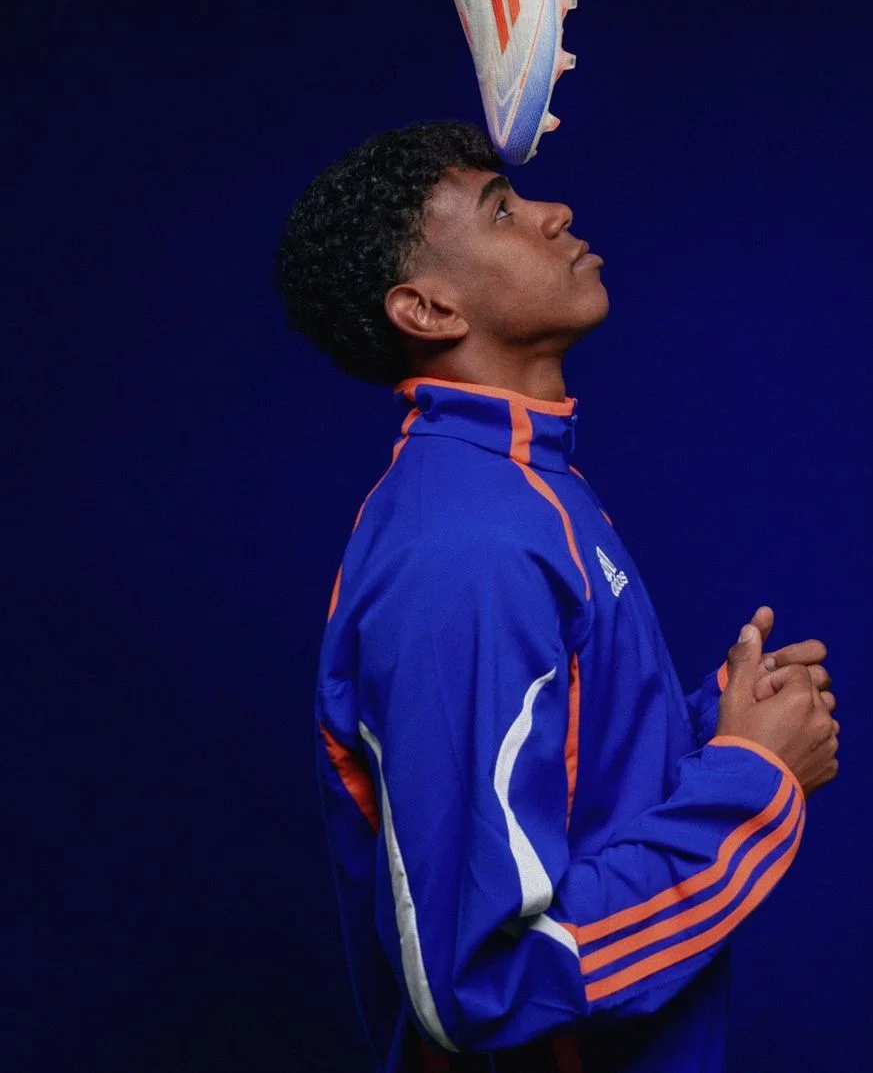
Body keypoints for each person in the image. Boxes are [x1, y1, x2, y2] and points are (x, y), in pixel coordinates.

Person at [274, 120, 839, 1073]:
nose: (555, 212)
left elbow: (569, 794)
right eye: (501, 210)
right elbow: (482, 978)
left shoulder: (524, 486)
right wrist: (753, 782)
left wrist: (725, 728)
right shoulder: (467, 551)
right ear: (427, 309)